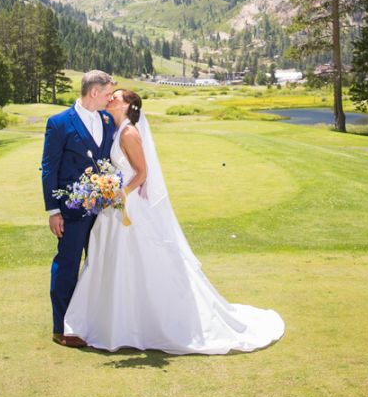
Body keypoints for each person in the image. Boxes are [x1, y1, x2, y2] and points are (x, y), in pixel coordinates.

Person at [62, 89, 284, 354]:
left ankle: (139, 323)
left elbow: (143, 173)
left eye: (116, 97)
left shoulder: (130, 132)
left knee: (133, 259)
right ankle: (112, 321)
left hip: (128, 206)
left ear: (128, 105)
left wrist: (121, 192)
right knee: (111, 260)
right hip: (116, 206)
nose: (111, 99)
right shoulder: (118, 129)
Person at [40, 69, 115, 347]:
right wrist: (53, 211)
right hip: (71, 212)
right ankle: (62, 328)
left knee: (98, 266)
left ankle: (92, 322)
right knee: (68, 264)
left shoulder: (107, 119)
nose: (110, 98)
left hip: (104, 211)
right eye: (107, 94)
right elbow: (49, 169)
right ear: (94, 92)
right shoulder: (59, 123)